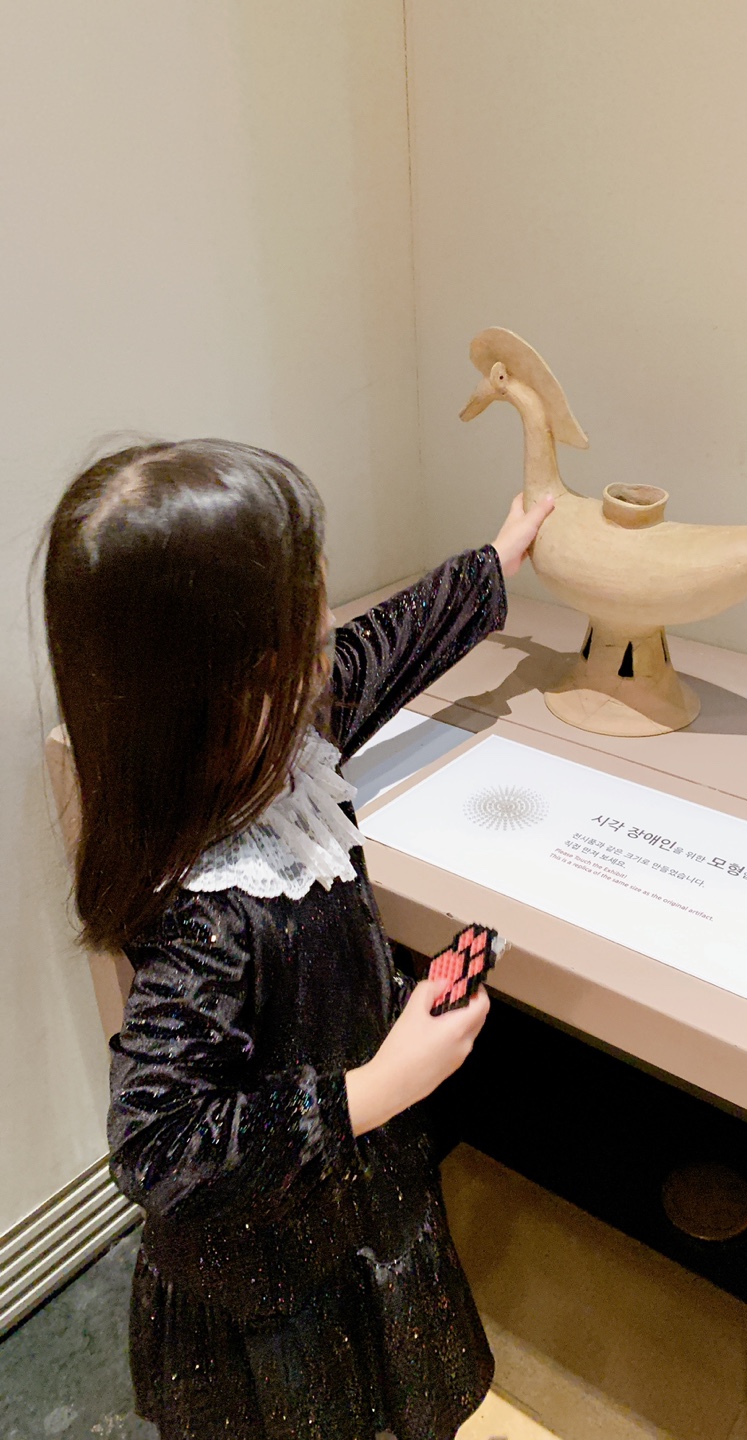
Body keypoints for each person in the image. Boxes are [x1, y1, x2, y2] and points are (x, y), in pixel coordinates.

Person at [42, 438, 554, 1440]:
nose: (331, 644)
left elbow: (384, 649)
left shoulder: (269, 740)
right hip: (276, 1272)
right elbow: (159, 1145)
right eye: (307, 628)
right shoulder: (206, 913)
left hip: (345, 1201)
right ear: (238, 676)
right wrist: (380, 1085)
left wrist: (495, 561)